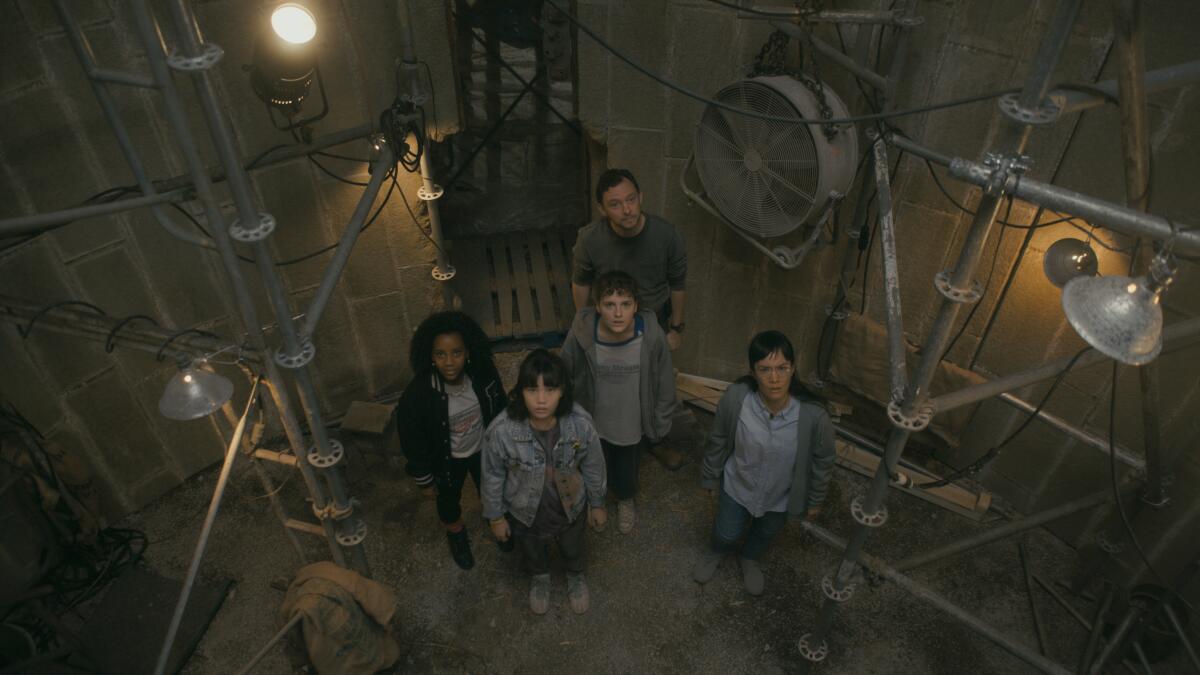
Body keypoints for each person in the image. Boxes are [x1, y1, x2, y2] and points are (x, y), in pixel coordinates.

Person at [693, 330, 836, 596]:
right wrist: (710, 476)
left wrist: (815, 500)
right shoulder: (737, 399)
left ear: (793, 369)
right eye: (765, 369)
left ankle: (749, 558)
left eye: (782, 368)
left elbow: (823, 461)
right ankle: (716, 551)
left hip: (779, 498)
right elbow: (719, 439)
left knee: (766, 533)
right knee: (726, 532)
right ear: (752, 371)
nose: (774, 378)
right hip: (737, 486)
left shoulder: (814, 417)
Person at [571, 168, 688, 470]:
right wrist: (583, 321)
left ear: (641, 197)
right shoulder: (590, 239)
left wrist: (675, 327)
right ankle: (600, 441)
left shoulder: (666, 235)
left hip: (650, 323)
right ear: (602, 208)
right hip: (608, 321)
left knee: (653, 385)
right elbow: (581, 281)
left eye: (631, 200)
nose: (627, 210)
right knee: (609, 384)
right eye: (616, 204)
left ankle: (656, 439)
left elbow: (677, 283)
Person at [481, 350, 608, 615]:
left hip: (570, 507)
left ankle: (575, 574)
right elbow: (492, 474)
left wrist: (597, 503)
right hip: (524, 513)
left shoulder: (580, 424)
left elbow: (594, 465)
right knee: (532, 551)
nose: (541, 400)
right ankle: (540, 577)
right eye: (531, 389)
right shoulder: (502, 431)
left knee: (573, 547)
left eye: (550, 389)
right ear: (520, 391)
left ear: (562, 391)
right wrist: (495, 517)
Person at [561, 270, 675, 534]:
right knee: (591, 461)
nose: (618, 313)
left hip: (630, 423)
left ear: (636, 306)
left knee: (626, 467)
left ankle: (625, 498)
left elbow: (665, 381)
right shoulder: (582, 335)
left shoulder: (650, 336)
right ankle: (595, 500)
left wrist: (660, 420)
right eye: (610, 305)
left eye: (625, 305)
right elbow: (564, 373)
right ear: (598, 306)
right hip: (593, 420)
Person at [395, 311, 509, 571]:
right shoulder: (419, 395)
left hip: (484, 450)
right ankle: (456, 533)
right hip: (447, 462)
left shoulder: (483, 375)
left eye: (456, 352)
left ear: (468, 352)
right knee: (447, 500)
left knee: (493, 490)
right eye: (440, 354)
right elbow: (413, 441)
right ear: (430, 356)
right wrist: (423, 480)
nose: (449, 362)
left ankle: (498, 523)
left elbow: (501, 406)